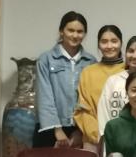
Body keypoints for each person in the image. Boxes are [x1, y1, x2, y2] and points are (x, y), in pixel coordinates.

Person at [35, 11, 96, 148]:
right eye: (71, 30)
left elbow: (91, 99)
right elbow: (44, 97)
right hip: (50, 129)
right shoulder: (46, 60)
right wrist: (57, 130)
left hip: (80, 130)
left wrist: (81, 130)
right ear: (61, 31)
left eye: (80, 31)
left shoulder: (91, 62)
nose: (75, 35)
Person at [73, 24, 123, 151]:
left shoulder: (129, 70)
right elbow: (83, 109)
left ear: (121, 43)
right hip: (93, 139)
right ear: (99, 45)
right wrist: (98, 134)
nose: (109, 46)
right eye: (104, 42)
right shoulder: (88, 72)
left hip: (125, 137)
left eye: (114, 41)